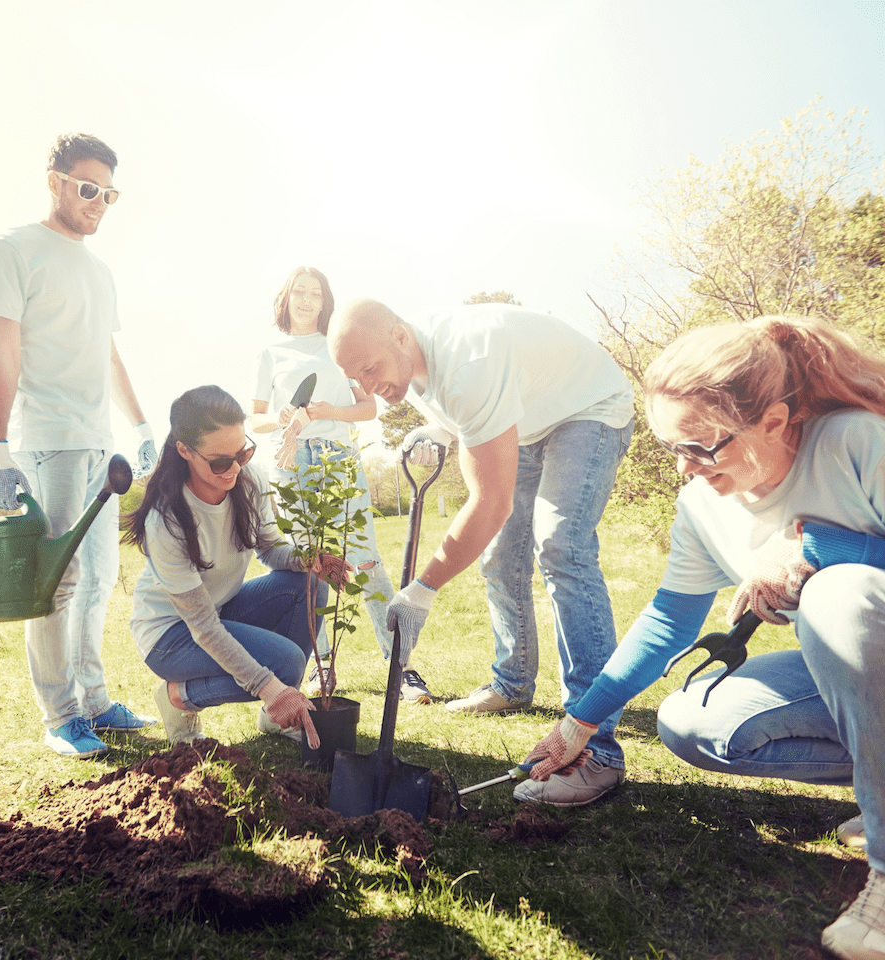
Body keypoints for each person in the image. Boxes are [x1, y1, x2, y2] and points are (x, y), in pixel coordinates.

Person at [514, 316, 885, 959]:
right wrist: (580, 724)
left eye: (701, 447)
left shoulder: (856, 441)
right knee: (694, 720)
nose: (686, 470)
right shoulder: (703, 504)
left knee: (837, 597)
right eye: (671, 449)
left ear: (774, 420)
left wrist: (813, 549)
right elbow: (668, 620)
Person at [328, 298, 635, 800]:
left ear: (400, 336)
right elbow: (459, 408)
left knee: (561, 545)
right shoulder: (415, 357)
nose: (367, 387)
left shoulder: (467, 361)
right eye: (354, 379)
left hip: (589, 408)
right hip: (532, 417)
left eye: (370, 369)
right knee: (498, 555)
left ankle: (596, 750)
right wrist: (438, 428)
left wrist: (421, 592)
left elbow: (490, 503)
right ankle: (512, 684)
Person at [0, 133, 158, 760]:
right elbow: (5, 351)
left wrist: (140, 427)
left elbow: (107, 356)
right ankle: (61, 716)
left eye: (109, 194)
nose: (99, 202)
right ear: (53, 180)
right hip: (46, 438)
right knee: (58, 579)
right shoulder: (14, 249)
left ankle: (96, 700)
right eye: (88, 188)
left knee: (100, 576)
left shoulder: (99, 270)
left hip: (95, 443)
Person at [123, 385, 343, 747]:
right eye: (220, 461)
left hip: (221, 608)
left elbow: (271, 549)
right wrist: (267, 685)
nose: (235, 468)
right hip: (170, 635)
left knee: (309, 584)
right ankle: (177, 696)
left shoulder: (249, 479)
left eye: (242, 452)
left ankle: (277, 717)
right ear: (185, 451)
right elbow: (205, 628)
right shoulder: (166, 521)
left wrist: (309, 560)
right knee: (284, 665)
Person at [249, 267, 421, 701]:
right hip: (289, 466)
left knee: (365, 561)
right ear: (285, 299)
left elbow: (368, 409)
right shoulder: (270, 350)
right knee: (309, 566)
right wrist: (285, 417)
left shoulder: (338, 347)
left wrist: (327, 412)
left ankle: (400, 668)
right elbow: (256, 418)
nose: (307, 300)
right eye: (299, 292)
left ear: (326, 301)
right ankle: (320, 668)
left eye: (315, 293)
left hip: (337, 459)